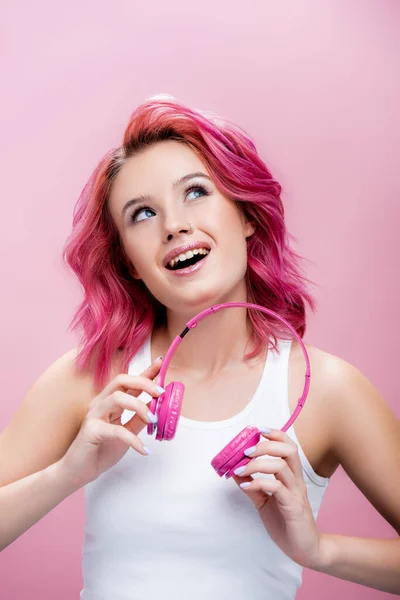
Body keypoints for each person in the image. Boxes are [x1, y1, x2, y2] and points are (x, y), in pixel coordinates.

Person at [0, 94, 399, 599]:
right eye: (142, 214)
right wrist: (67, 474)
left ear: (247, 214)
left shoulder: (328, 391)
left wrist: (318, 551)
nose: (174, 225)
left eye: (195, 192)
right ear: (128, 261)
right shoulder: (94, 380)